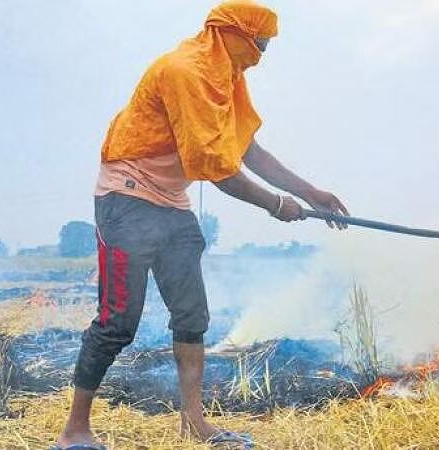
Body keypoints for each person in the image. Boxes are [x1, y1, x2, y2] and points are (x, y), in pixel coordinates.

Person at [54, 1, 349, 448]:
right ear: (230, 34)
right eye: (260, 43)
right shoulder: (185, 71)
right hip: (127, 197)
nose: (262, 55)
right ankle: (75, 430)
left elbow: (247, 149)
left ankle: (194, 422)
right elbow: (216, 167)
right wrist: (276, 205)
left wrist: (310, 193)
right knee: (118, 322)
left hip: (172, 201)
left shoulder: (227, 79)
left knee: (192, 318)